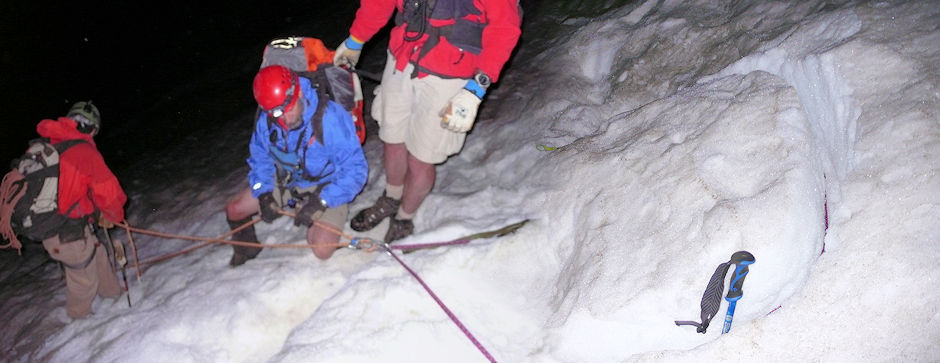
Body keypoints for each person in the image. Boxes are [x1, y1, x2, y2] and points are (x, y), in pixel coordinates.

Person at [333, 0, 522, 242]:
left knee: (422, 156)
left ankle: (404, 217)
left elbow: (504, 27)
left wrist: (476, 87)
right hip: (402, 55)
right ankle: (391, 197)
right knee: (392, 138)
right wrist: (355, 40)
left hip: (452, 70)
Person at [224, 65, 368, 266]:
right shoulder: (268, 120)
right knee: (235, 209)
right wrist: (264, 192)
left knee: (321, 249)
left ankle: (321, 217)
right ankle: (247, 250)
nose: (283, 119)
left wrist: (322, 201)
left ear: (298, 92)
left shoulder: (329, 118)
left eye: (288, 109)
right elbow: (260, 160)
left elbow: (356, 171)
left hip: (327, 186)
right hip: (289, 181)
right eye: (275, 114)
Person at [37, 101, 127, 319]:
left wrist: (93, 212)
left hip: (57, 227)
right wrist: (114, 217)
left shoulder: (49, 147)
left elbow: (70, 189)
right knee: (83, 279)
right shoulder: (84, 153)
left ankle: (113, 294)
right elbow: (110, 195)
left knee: (98, 253)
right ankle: (80, 321)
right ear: (94, 130)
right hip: (66, 232)